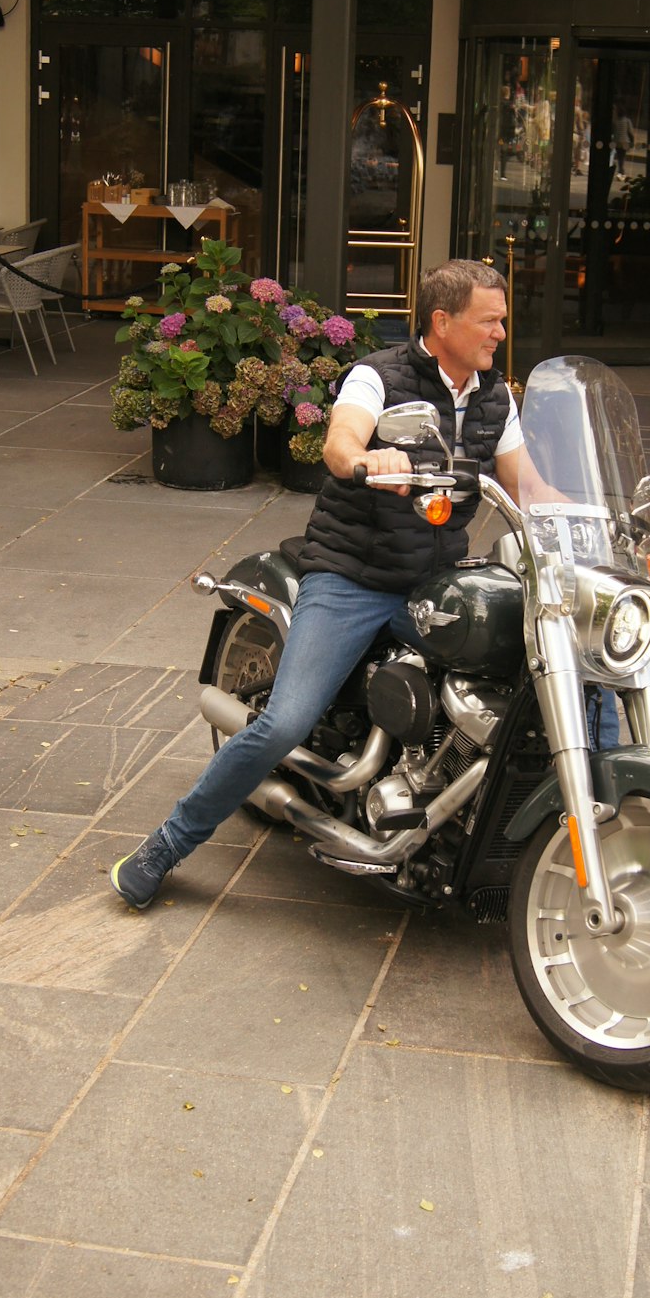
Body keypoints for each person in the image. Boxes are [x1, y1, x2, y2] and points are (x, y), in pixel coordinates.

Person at [110, 260, 524, 910]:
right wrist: (367, 458)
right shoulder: (377, 376)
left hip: (434, 580)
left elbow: (529, 485)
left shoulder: (495, 397)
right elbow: (339, 443)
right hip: (354, 577)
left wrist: (586, 518)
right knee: (285, 723)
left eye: (503, 318)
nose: (501, 331)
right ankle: (168, 843)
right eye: (490, 319)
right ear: (443, 322)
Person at [611, 105, 634, 176]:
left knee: (619, 156)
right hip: (625, 142)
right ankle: (621, 170)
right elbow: (630, 132)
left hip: (617, 141)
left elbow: (613, 131)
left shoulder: (615, 121)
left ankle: (621, 170)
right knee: (622, 156)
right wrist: (632, 141)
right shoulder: (627, 121)